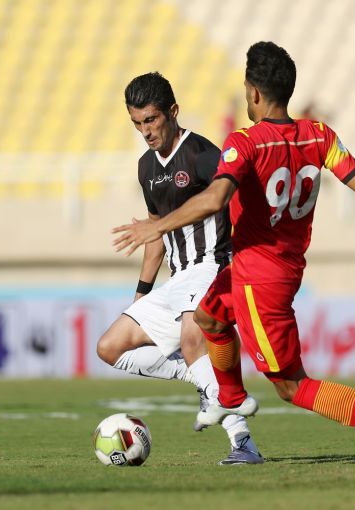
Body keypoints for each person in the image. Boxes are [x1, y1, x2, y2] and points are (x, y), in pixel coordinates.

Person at [113, 42, 355, 465]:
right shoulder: (320, 135)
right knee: (209, 317)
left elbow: (214, 199)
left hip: (259, 277)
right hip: (271, 266)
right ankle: (230, 398)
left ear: (254, 93)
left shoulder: (245, 142)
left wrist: (156, 226)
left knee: (291, 386)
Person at [97, 73, 262, 464]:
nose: (145, 131)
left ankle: (243, 443)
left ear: (172, 112)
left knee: (192, 338)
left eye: (151, 120)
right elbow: (155, 236)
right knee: (109, 348)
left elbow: (237, 198)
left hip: (211, 265)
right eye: (137, 123)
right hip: (177, 279)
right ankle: (198, 375)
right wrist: (141, 296)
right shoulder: (145, 167)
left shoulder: (203, 155)